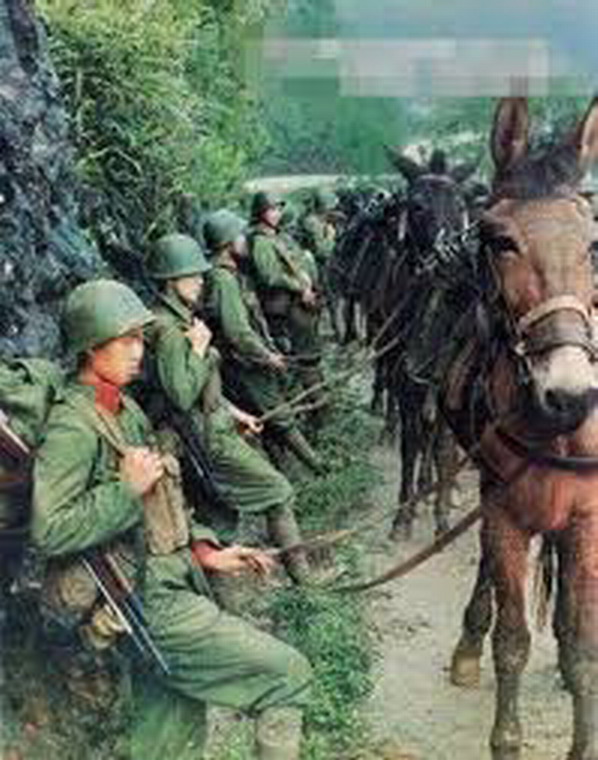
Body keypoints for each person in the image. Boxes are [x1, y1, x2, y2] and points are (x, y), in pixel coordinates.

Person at [31, 279, 313, 760]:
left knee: (168, 739)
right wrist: (124, 490)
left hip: (169, 579)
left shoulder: (126, 409)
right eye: (126, 341)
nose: (139, 351)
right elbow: (49, 529)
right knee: (287, 674)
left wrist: (205, 550)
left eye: (140, 339)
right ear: (91, 347)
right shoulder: (72, 426)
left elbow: (164, 502)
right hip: (143, 600)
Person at [144, 233, 311, 583]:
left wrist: (236, 413)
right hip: (202, 436)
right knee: (277, 491)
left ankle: (223, 598)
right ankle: (306, 582)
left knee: (219, 518)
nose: (200, 281)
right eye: (192, 275)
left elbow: (203, 388)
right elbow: (182, 395)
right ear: (171, 281)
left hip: (210, 424)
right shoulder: (170, 331)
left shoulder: (182, 320)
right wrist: (199, 350)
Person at [202, 209, 325, 474]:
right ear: (227, 243)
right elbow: (238, 332)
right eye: (239, 236)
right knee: (280, 415)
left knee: (264, 415)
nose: (244, 240)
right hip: (243, 363)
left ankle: (282, 467)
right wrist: (267, 356)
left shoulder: (230, 274)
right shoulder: (223, 280)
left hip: (244, 359)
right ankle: (320, 468)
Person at [299, 188, 341, 341]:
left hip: (317, 267)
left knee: (327, 300)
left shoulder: (317, 221)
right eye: (332, 207)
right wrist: (331, 235)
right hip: (313, 269)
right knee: (324, 301)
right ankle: (322, 334)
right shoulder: (312, 222)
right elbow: (323, 251)